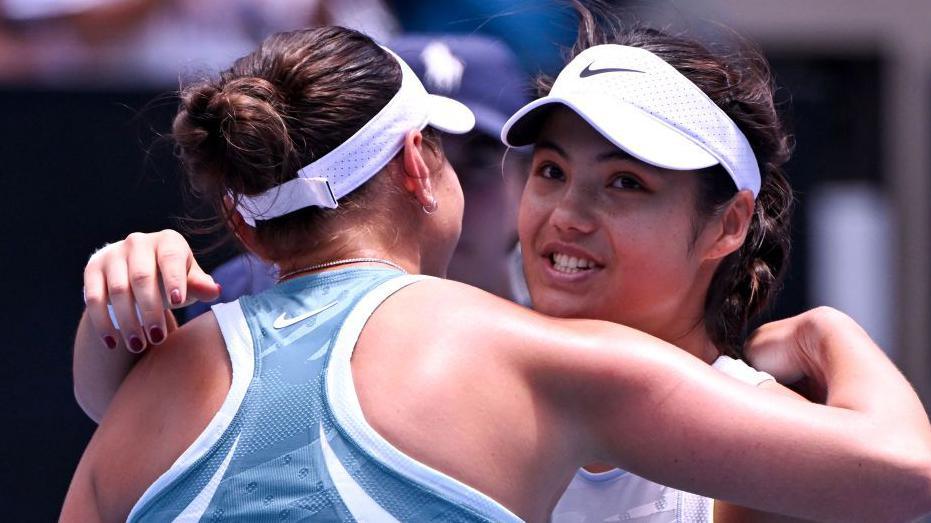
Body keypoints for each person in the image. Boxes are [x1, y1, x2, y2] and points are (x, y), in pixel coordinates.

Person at [63, 26, 931, 522]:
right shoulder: (489, 347)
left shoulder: (759, 435)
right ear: (416, 169)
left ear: (730, 221)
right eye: (549, 172)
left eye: (625, 183)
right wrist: (121, 295)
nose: (567, 215)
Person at [180, 33, 531, 324]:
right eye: (433, 152)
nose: (451, 180)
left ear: (528, 177)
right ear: (415, 165)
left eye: (480, 162)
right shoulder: (222, 297)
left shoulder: (570, 305)